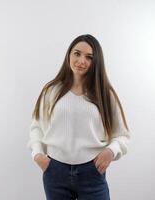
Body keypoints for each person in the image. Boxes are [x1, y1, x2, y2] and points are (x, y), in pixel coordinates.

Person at [27, 34, 130, 200]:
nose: (81, 61)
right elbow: (36, 127)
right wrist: (38, 154)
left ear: (96, 62)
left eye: (89, 57)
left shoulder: (105, 94)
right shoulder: (51, 91)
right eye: (77, 53)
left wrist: (111, 151)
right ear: (69, 54)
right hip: (55, 172)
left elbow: (122, 135)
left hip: (92, 172)